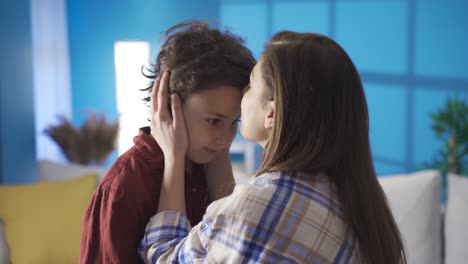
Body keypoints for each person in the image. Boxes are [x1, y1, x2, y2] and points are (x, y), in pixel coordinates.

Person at [138, 31, 407, 263]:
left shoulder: (264, 204)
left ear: (272, 114)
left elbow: (165, 256)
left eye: (251, 85)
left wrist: (173, 157)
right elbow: (229, 242)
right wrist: (218, 146)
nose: (243, 94)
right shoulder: (356, 203)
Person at [79, 20, 255, 263]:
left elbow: (232, 245)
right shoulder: (125, 185)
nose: (225, 139)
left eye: (234, 122)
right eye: (214, 121)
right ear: (170, 107)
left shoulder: (207, 162)